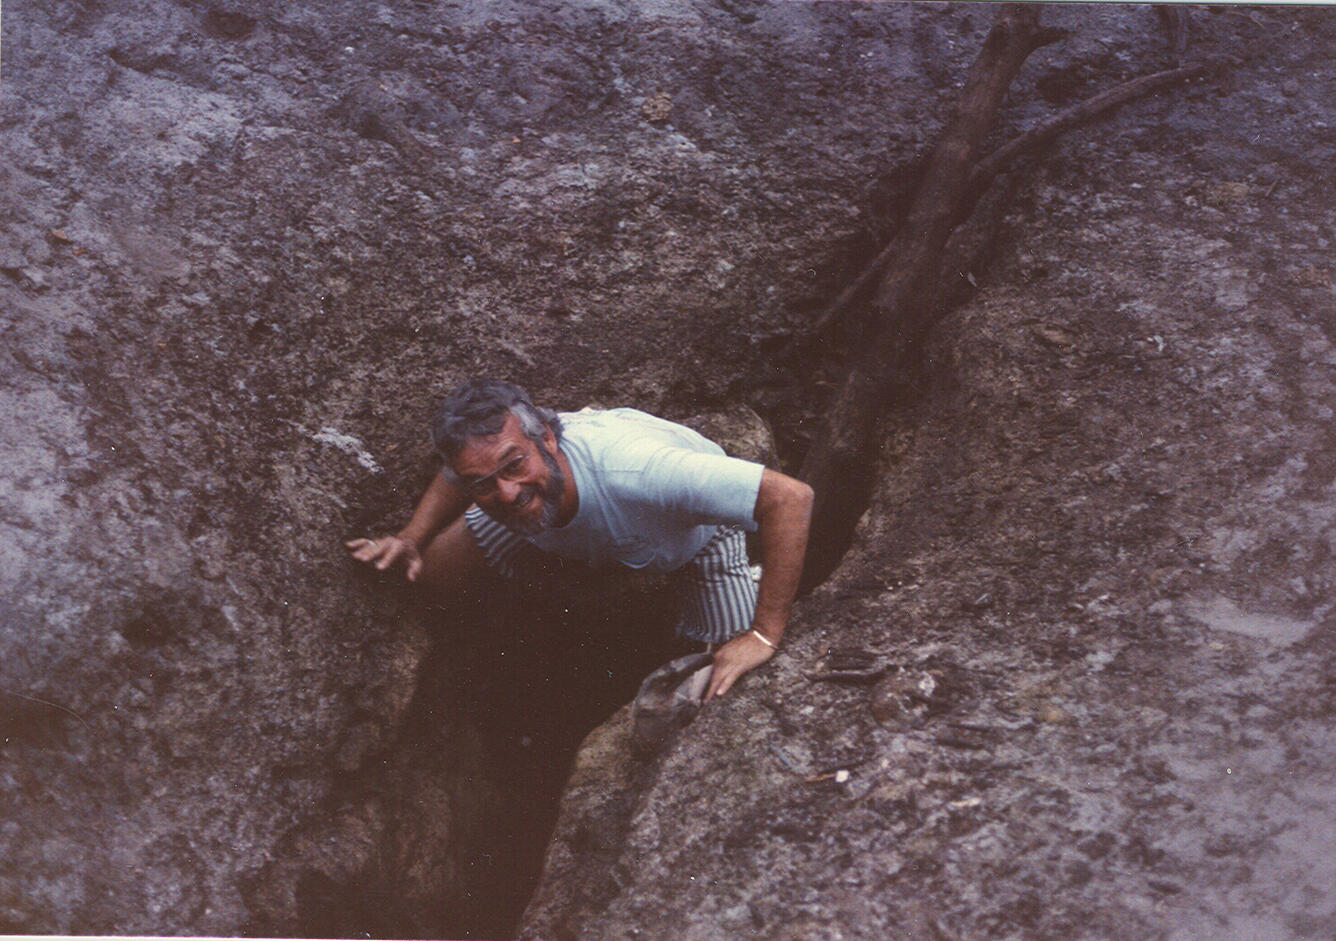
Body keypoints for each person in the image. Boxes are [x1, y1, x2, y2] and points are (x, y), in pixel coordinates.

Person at [346, 378, 813, 700]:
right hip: (550, 521)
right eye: (483, 481)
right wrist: (410, 536)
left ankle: (746, 588)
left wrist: (763, 634)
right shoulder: (496, 476)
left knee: (713, 685)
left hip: (694, 539)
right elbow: (458, 473)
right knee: (431, 573)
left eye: (513, 465)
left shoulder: (640, 473)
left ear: (548, 439)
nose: (505, 491)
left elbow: (789, 498)